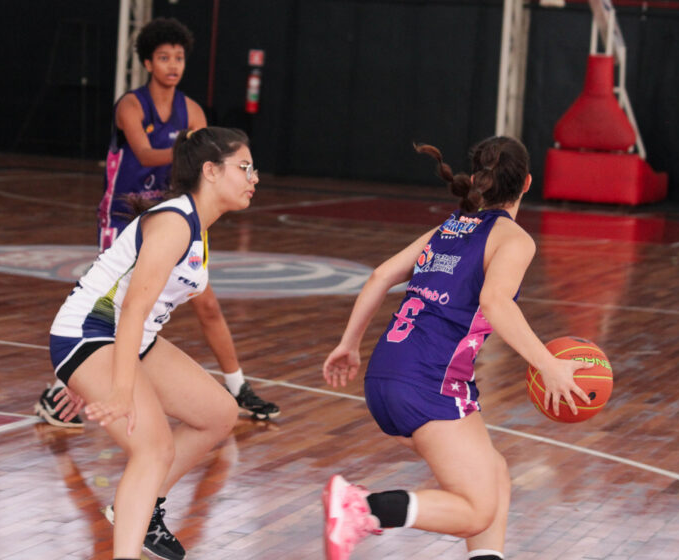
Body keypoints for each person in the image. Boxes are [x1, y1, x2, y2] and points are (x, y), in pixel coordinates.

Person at [320, 137, 594, 560]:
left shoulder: (448, 227)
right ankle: (363, 509)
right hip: (429, 380)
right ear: (526, 183)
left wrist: (349, 344)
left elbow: (379, 276)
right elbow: (495, 303)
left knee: (495, 472)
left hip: (387, 373)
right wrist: (549, 365)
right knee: (475, 511)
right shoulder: (513, 239)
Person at [34, 18, 278, 429]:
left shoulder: (193, 110)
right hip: (125, 218)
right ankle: (63, 390)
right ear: (148, 62)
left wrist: (202, 162)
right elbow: (147, 154)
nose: (173, 65)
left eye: (179, 58)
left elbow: (204, 168)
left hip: (177, 216)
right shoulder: (131, 105)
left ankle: (236, 386)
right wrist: (193, 155)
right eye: (164, 57)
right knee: (112, 307)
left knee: (207, 305)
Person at [48, 126, 260, 560]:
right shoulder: (174, 223)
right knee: (153, 448)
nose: (254, 177)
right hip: (91, 333)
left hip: (127, 338)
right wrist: (119, 387)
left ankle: (144, 508)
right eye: (245, 167)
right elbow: (130, 310)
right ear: (211, 171)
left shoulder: (197, 228)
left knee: (219, 413)